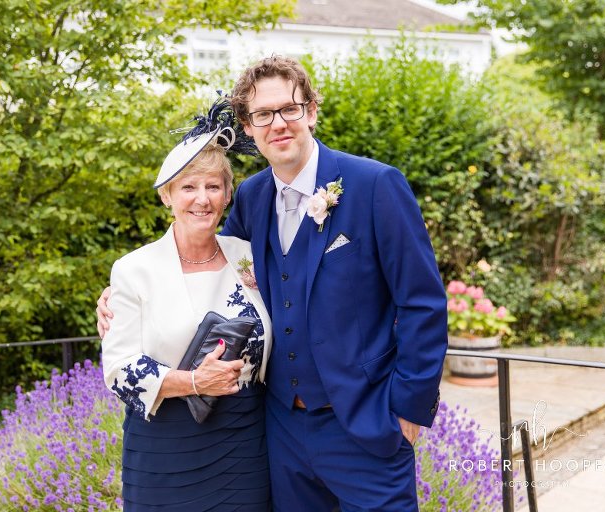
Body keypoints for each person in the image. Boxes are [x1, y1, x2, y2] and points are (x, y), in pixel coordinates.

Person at [99, 56, 447, 511]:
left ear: (311, 111)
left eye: (289, 108)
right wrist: (121, 297)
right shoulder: (252, 197)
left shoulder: (375, 185)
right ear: (248, 126)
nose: (278, 123)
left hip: (367, 426)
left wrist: (408, 410)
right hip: (280, 434)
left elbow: (422, 303)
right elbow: (213, 266)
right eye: (263, 114)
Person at [100, 100, 272, 512]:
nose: (202, 199)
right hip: (164, 443)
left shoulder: (250, 257)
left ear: (227, 194)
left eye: (213, 186)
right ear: (167, 195)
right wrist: (194, 382)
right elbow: (119, 369)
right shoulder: (134, 270)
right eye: (188, 187)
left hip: (245, 441)